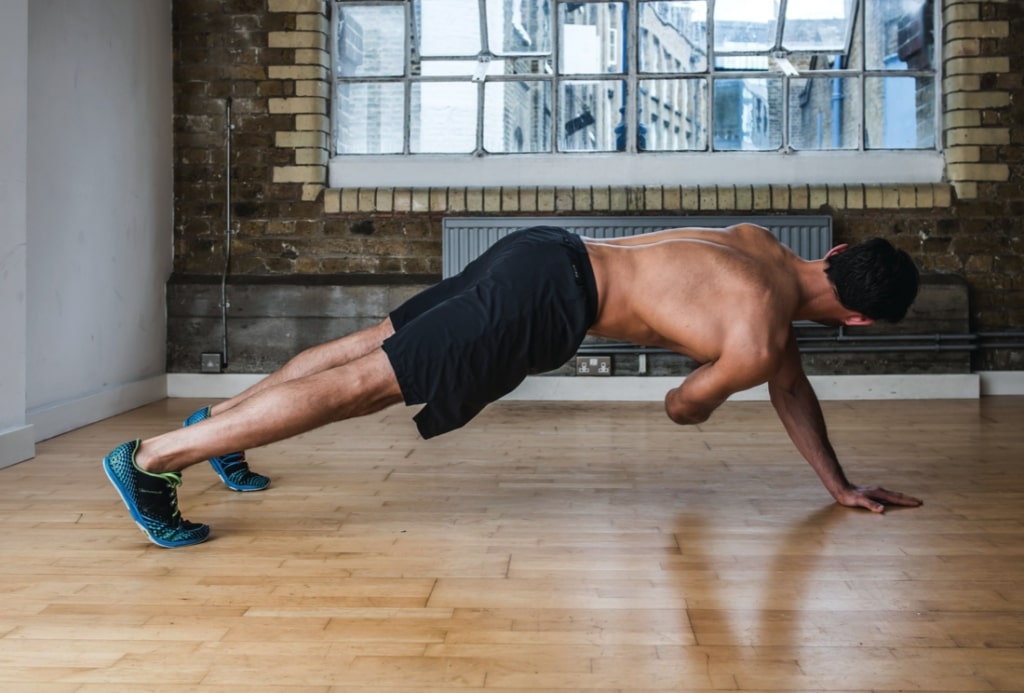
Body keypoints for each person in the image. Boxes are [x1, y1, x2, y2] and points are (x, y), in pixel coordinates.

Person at [103, 224, 923, 548]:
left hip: (542, 251)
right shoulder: (761, 337)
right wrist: (709, 387)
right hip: (549, 300)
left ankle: (227, 429)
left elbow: (790, 386)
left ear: (840, 253)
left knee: (367, 345)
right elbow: (683, 406)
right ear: (857, 321)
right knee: (368, 384)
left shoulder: (762, 246)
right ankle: (154, 457)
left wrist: (836, 482)